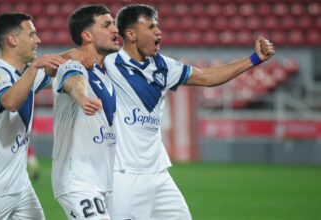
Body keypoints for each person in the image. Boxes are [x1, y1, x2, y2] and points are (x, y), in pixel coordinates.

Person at [103, 4, 275, 219]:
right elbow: (76, 59)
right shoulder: (108, 64)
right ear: (130, 34)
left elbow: (206, 77)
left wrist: (253, 59)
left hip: (159, 173)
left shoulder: (164, 66)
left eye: (158, 26)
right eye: (150, 27)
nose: (158, 31)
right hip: (123, 175)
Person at [0, 12, 65, 220]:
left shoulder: (26, 73)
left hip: (20, 187)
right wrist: (36, 67)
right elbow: (10, 102)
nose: (38, 40)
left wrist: (90, 52)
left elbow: (60, 63)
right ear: (12, 39)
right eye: (32, 34)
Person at [51, 5, 119, 220]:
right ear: (87, 35)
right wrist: (82, 98)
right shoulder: (72, 64)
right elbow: (74, 82)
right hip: (77, 180)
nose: (115, 30)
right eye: (107, 25)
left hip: (104, 182)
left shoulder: (106, 74)